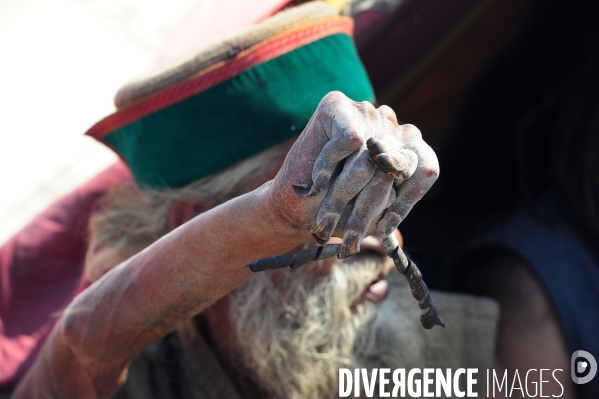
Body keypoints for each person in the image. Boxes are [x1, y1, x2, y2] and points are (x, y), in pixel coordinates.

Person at [9, 2, 499, 398]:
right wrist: (274, 213)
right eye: (338, 196)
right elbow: (83, 346)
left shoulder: (428, 352)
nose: (382, 238)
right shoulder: (128, 373)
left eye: (383, 192)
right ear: (197, 221)